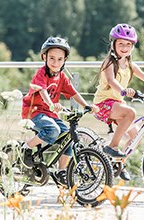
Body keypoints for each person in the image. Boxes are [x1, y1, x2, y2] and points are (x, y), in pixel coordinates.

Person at [93, 23, 144, 181]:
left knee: (135, 136)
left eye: (128, 44)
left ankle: (118, 163)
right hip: (103, 104)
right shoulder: (109, 63)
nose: (125, 47)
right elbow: (111, 81)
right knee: (130, 112)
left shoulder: (130, 65)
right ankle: (112, 146)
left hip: (117, 105)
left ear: (132, 47)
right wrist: (124, 91)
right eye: (121, 44)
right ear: (113, 44)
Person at [21, 36, 97, 186]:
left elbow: (73, 92)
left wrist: (86, 105)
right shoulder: (41, 73)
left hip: (50, 114)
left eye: (59, 59)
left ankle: (61, 171)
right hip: (34, 112)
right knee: (53, 130)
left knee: (67, 136)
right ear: (44, 57)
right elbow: (42, 90)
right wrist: (50, 104)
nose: (55, 63)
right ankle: (26, 148)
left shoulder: (62, 76)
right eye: (52, 58)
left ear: (65, 60)